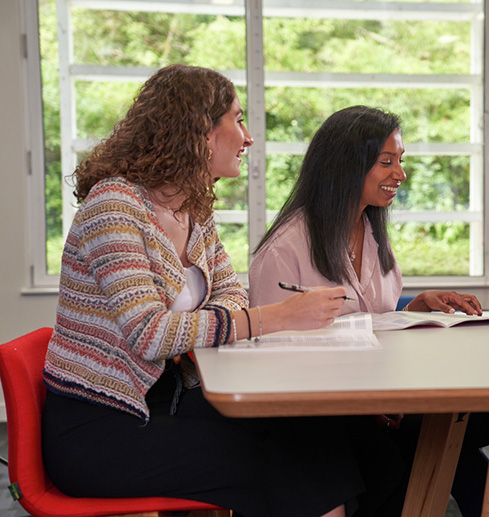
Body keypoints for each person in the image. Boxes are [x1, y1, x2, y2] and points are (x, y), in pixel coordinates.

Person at [41, 64, 368, 517]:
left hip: (168, 400)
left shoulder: (192, 208)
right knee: (292, 461)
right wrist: (279, 316)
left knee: (313, 437)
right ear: (199, 132)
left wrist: (199, 326)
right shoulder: (113, 207)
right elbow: (150, 333)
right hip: (101, 427)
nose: (248, 136)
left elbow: (230, 294)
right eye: (237, 119)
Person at [248, 105, 489, 516]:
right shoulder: (285, 249)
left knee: (470, 424)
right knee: (427, 450)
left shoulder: (371, 231)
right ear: (347, 165)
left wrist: (412, 308)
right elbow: (276, 360)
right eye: (387, 162)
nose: (401, 174)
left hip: (380, 401)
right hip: (323, 416)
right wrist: (365, 401)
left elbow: (369, 317)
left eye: (401, 161)